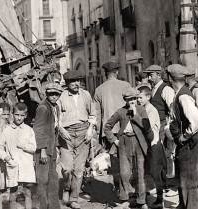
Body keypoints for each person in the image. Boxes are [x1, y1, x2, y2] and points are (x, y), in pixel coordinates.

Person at [104, 88, 153, 208]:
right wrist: (114, 140)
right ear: (125, 100)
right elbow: (107, 126)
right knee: (124, 172)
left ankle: (142, 201)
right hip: (124, 142)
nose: (132, 102)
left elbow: (146, 126)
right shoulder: (121, 111)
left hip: (139, 141)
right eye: (129, 100)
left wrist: (135, 114)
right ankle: (125, 199)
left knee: (141, 172)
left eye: (134, 99)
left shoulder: (141, 110)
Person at [167, 64, 198, 209]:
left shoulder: (183, 95)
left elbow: (196, 119)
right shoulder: (181, 93)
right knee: (184, 178)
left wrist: (185, 136)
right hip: (186, 144)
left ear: (171, 78)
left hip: (189, 144)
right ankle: (184, 205)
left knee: (188, 180)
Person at [58, 70, 96, 209]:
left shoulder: (86, 95)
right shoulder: (61, 97)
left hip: (83, 133)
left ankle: (74, 198)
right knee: (67, 168)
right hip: (66, 134)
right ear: (67, 83)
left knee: (79, 169)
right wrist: (61, 129)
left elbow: (92, 114)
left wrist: (90, 129)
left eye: (77, 81)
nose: (75, 84)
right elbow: (57, 118)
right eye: (72, 82)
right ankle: (66, 188)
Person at [93, 62, 131, 191]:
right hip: (125, 129)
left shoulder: (99, 90)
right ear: (117, 72)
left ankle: (118, 187)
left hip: (108, 131)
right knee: (126, 159)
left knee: (114, 160)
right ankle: (126, 188)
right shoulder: (125, 86)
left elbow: (97, 115)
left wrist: (99, 135)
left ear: (105, 74)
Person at [143, 65, 177, 197]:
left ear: (158, 74)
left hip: (163, 125)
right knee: (157, 155)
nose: (149, 78)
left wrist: (169, 125)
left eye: (151, 75)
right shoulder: (153, 89)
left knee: (164, 155)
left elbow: (172, 108)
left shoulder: (166, 89)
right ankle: (162, 184)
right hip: (155, 125)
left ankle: (168, 185)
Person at [0, 102, 37, 209]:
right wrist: (7, 158)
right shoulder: (7, 130)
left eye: (22, 115)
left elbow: (34, 147)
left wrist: (23, 146)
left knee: (28, 192)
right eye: (17, 115)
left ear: (26, 115)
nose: (19, 118)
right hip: (13, 164)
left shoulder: (29, 130)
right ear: (12, 114)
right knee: (13, 194)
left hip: (26, 164)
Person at [34, 83, 63, 209]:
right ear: (47, 94)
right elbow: (38, 130)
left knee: (53, 180)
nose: (54, 96)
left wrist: (56, 146)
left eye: (56, 94)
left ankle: (54, 206)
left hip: (51, 149)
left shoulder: (55, 107)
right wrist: (42, 150)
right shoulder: (43, 108)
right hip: (43, 150)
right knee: (42, 180)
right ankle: (43, 206)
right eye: (51, 94)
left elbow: (54, 129)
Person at [136, 85, 163, 209]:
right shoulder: (143, 108)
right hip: (148, 144)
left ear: (148, 96)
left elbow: (147, 127)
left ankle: (160, 199)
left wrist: (136, 117)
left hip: (154, 144)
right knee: (149, 171)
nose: (138, 100)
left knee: (156, 172)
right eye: (137, 98)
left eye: (140, 97)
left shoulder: (151, 110)